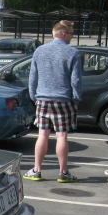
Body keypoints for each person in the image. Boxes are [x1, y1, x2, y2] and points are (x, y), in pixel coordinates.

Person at [24, 20, 82, 183]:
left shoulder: (40, 51)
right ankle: (63, 172)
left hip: (43, 98)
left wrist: (33, 96)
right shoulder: (73, 53)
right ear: (64, 34)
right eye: (71, 34)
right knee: (62, 135)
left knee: (42, 134)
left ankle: (36, 170)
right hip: (63, 99)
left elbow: (32, 77)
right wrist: (76, 98)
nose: (72, 37)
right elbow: (76, 80)